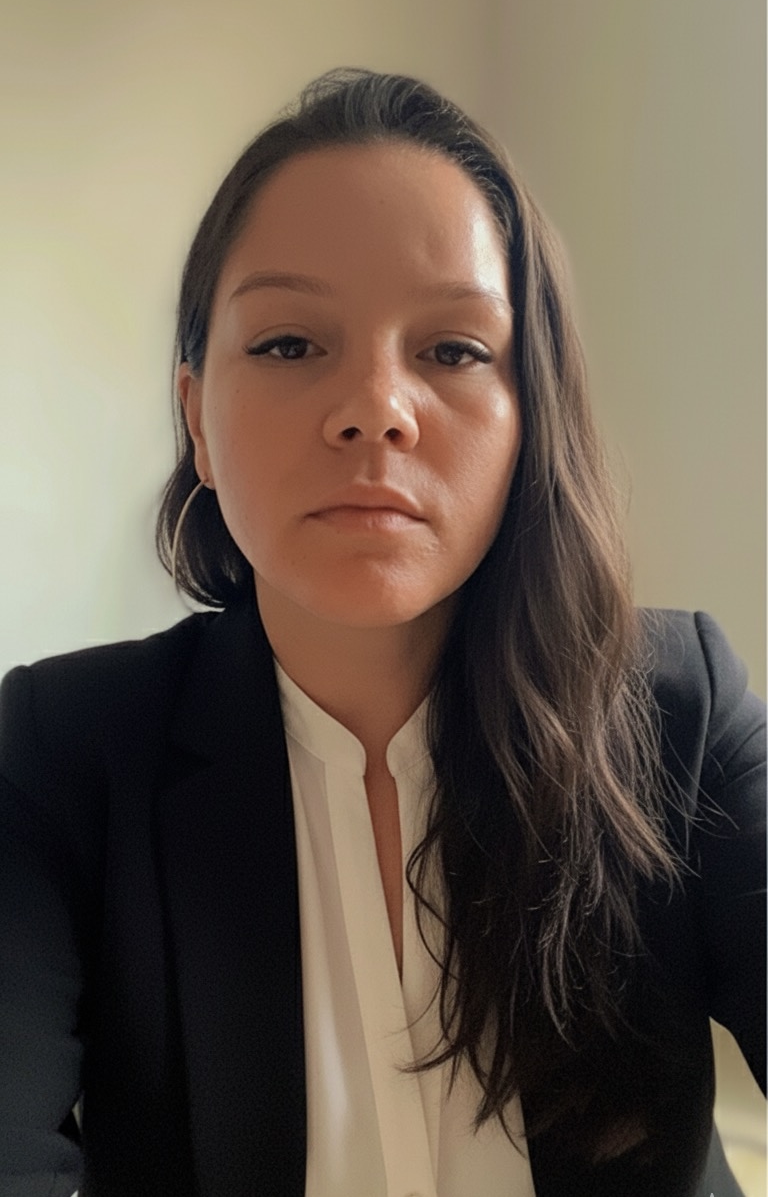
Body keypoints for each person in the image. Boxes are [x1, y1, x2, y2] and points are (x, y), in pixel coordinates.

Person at [0, 69, 764, 1197]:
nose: (374, 408)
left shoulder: (683, 713)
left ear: (531, 416)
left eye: (453, 350)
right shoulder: (62, 749)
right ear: (196, 418)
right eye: (289, 344)